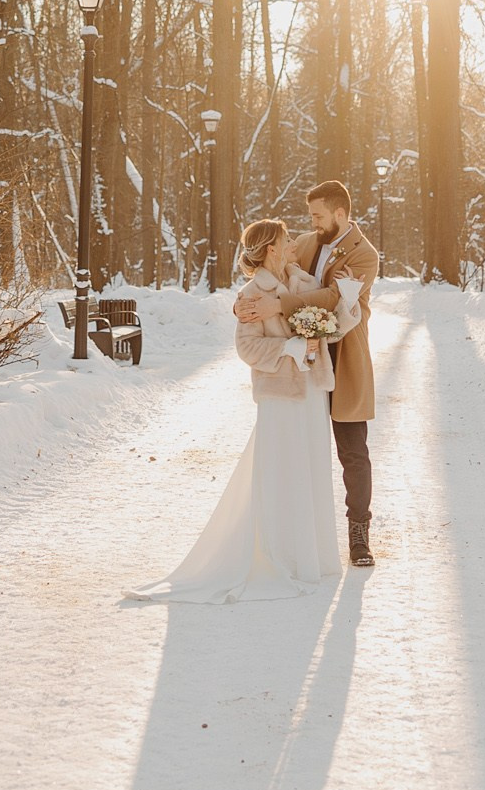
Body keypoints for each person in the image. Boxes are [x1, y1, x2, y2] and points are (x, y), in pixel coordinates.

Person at [128, 218, 362, 603]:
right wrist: (288, 349)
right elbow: (248, 349)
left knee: (311, 469)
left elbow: (331, 328)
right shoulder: (252, 294)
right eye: (286, 240)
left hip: (312, 391)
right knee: (280, 472)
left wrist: (348, 298)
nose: (292, 245)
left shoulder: (303, 283)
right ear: (271, 248)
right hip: (279, 395)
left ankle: (310, 557)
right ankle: (280, 556)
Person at [235, 179, 379, 567]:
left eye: (318, 215)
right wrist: (244, 306)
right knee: (301, 450)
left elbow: (334, 297)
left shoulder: (366, 255)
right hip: (302, 367)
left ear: (340, 213)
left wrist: (277, 306)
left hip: (345, 357)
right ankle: (299, 539)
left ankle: (359, 533)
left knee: (353, 450)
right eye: (310, 215)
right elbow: (270, 268)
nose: (311, 222)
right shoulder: (305, 240)